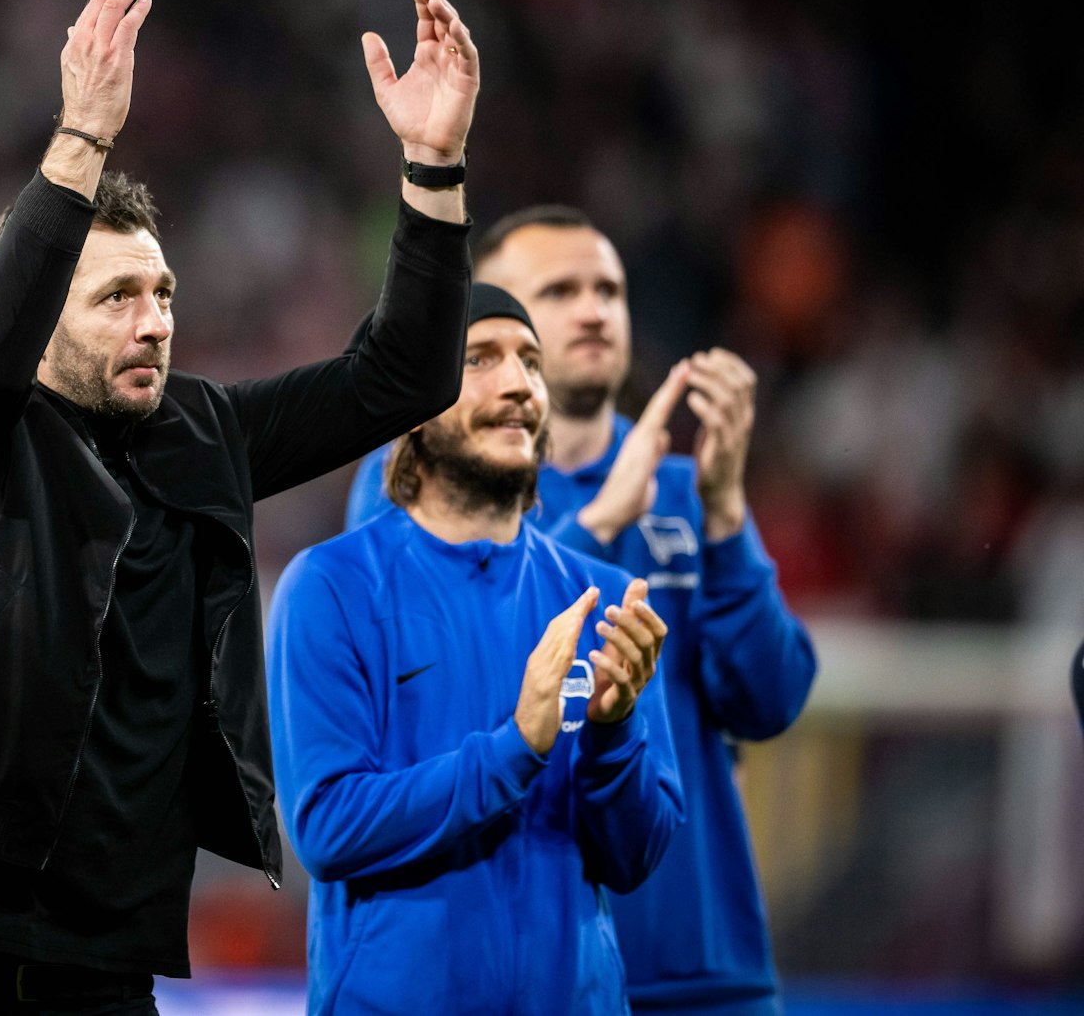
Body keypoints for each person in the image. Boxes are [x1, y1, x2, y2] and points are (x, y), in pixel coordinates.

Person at [0, 0, 477, 1015]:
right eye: (117, 296)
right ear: (42, 318)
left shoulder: (203, 432)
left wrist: (432, 167)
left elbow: (401, 377)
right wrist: (80, 136)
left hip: (105, 975)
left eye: (163, 292)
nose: (155, 320)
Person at [346, 205, 816, 1016]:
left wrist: (726, 511)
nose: (594, 310)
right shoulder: (421, 483)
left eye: (609, 289)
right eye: (559, 292)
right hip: (528, 974)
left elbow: (770, 700)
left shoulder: (686, 487)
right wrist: (599, 521)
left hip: (706, 972)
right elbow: (431, 694)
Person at [270, 283, 683, 1014]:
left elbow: (634, 859)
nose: (519, 383)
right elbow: (329, 827)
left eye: (530, 361)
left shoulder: (607, 599)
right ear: (409, 405)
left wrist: (615, 732)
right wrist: (514, 750)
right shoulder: (331, 586)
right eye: (479, 359)